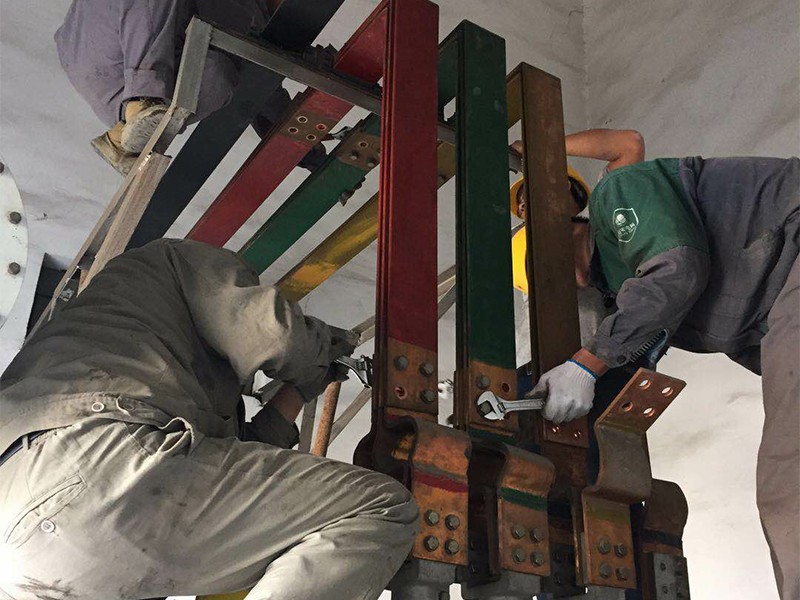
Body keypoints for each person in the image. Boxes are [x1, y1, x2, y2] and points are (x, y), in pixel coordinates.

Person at [0, 239, 418, 599]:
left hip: (22, 558)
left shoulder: (157, 362)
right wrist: (327, 347)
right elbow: (279, 335)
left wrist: (301, 390)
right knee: (381, 508)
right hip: (85, 466)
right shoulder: (172, 259)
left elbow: (236, 471)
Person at [524, 128, 799, 599]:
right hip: (781, 299)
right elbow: (752, 339)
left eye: (553, 277)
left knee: (788, 479)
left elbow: (678, 270)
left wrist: (588, 363)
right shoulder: (630, 297)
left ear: (565, 236)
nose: (570, 291)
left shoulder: (618, 196)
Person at [54, 0, 325, 175]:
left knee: (220, 72)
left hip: (143, 85)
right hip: (105, 41)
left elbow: (260, 92)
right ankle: (142, 101)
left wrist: (308, 153)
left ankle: (127, 133)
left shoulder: (254, 21)